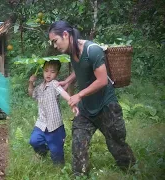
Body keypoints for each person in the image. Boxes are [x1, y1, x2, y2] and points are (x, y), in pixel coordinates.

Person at [48, 20, 136, 175]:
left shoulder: (92, 50)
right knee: (78, 145)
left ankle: (131, 170)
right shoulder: (71, 51)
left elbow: (102, 81)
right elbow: (82, 68)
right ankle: (79, 176)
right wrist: (68, 81)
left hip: (105, 106)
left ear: (66, 35)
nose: (55, 46)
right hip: (86, 109)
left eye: (55, 41)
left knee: (116, 144)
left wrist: (79, 95)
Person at [28, 60, 79, 165]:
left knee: (56, 151)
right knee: (34, 141)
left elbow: (63, 93)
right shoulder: (40, 87)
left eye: (52, 71)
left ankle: (59, 167)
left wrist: (72, 103)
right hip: (41, 123)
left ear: (57, 73)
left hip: (54, 125)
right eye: (46, 71)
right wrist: (30, 82)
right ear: (42, 71)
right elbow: (31, 93)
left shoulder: (55, 84)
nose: (49, 74)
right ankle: (43, 151)